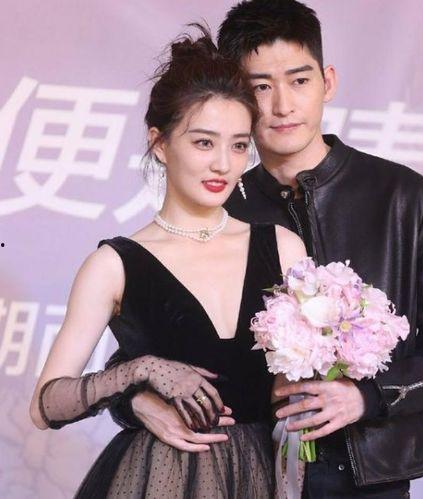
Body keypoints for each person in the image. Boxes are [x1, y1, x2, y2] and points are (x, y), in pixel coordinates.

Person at [113, 1, 423, 498]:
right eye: (261, 87)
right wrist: (135, 402)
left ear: (328, 82)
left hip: (372, 476)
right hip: (246, 472)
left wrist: (366, 397)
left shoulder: (402, 196)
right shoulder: (220, 208)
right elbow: (138, 353)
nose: (283, 105)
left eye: (299, 80)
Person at [29, 28, 308, 498]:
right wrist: (138, 376)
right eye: (203, 143)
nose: (223, 164)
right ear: (160, 144)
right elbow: (44, 406)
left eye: (239, 145)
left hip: (258, 475)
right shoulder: (114, 264)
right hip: (160, 478)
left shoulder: (282, 248)